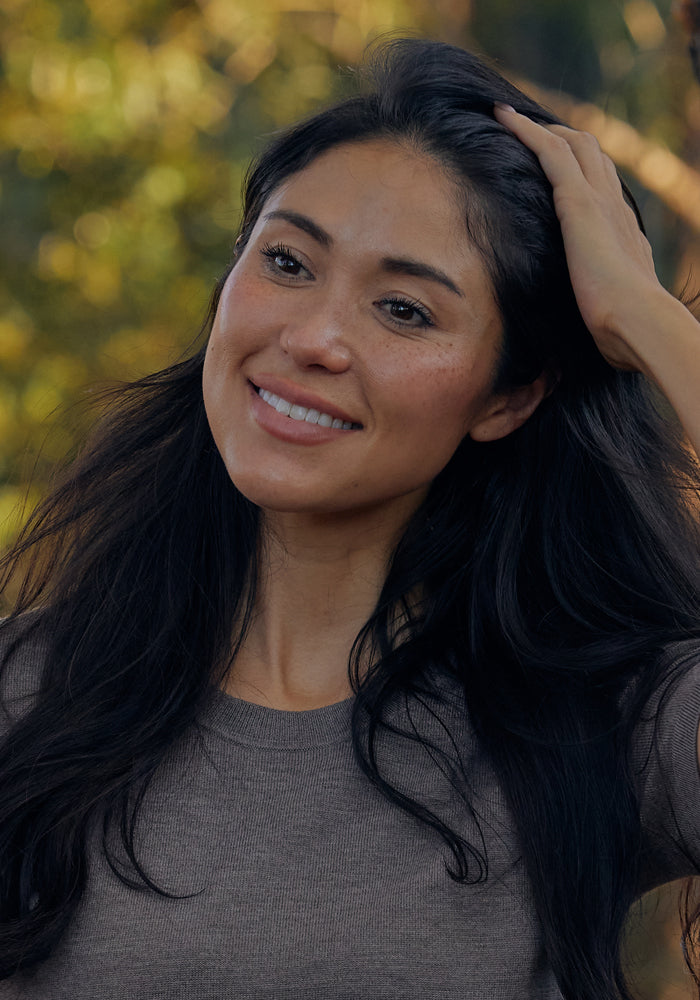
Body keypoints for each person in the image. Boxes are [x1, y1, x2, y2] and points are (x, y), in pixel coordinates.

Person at [0, 36, 699, 1000]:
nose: (313, 337)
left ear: (508, 397)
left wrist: (648, 321)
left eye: (405, 311)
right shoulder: (29, 695)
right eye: (286, 261)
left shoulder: (605, 722)